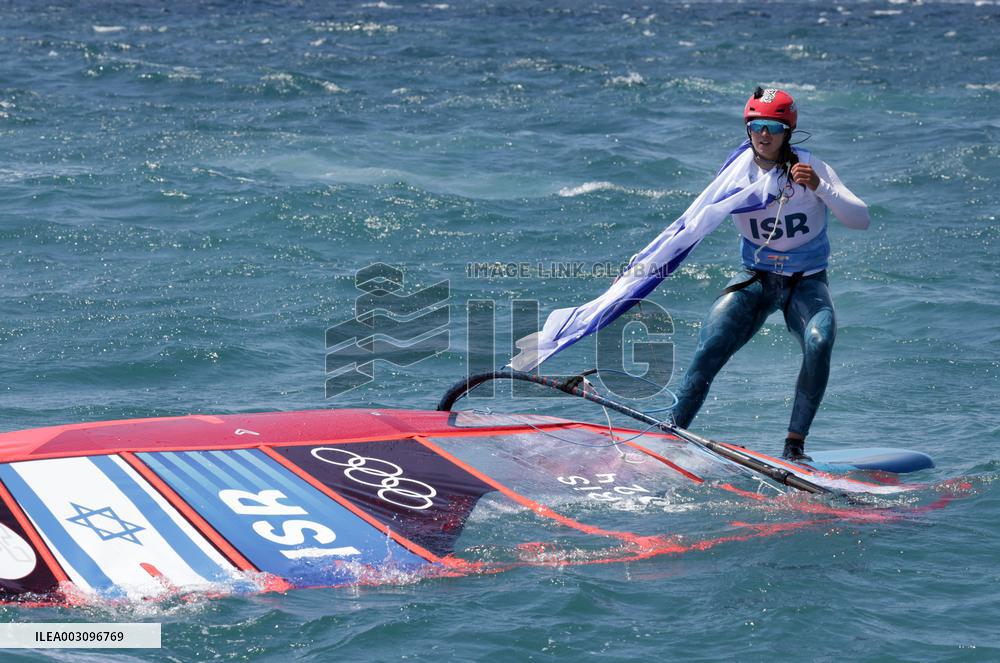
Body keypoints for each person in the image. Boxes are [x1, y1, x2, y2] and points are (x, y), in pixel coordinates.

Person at [669, 87, 871, 461]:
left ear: (787, 132)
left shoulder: (811, 168)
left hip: (805, 282)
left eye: (774, 128)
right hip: (755, 280)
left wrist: (819, 187)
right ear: (748, 129)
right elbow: (691, 225)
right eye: (757, 126)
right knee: (710, 344)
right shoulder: (734, 173)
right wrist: (641, 271)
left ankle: (794, 447)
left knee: (820, 338)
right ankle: (669, 433)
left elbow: (861, 218)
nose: (764, 135)